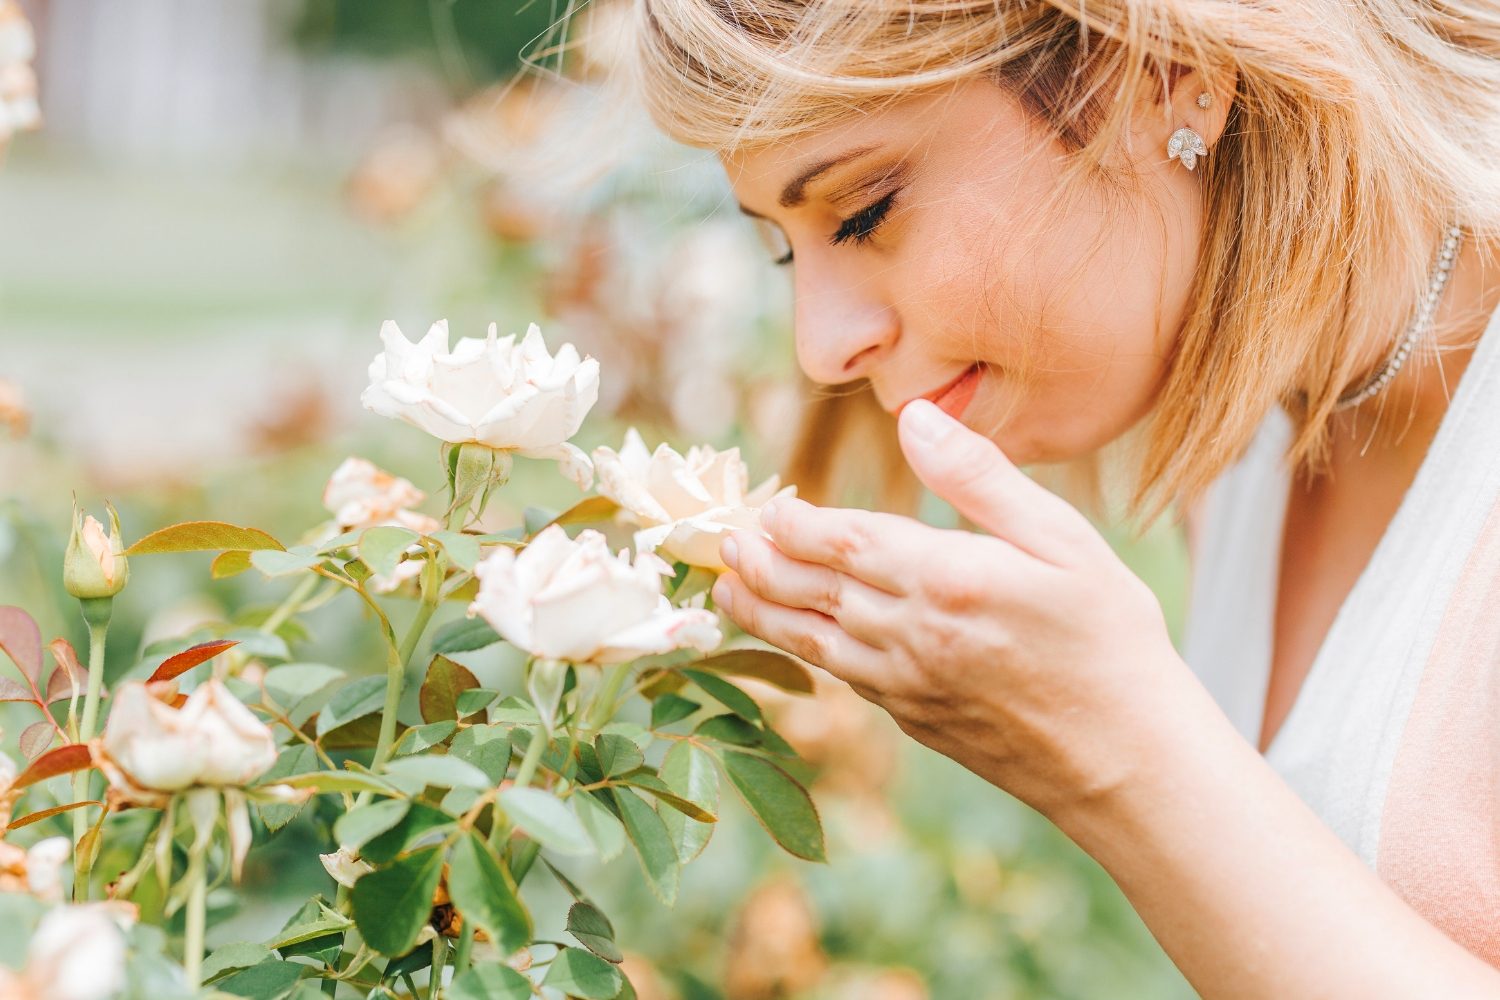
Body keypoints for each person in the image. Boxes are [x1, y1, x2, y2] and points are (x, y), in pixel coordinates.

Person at [627, 1, 1500, 996]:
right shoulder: (1247, 436)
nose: (820, 345)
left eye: (866, 211)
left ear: (1170, 70)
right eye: (788, 248)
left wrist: (1119, 753)